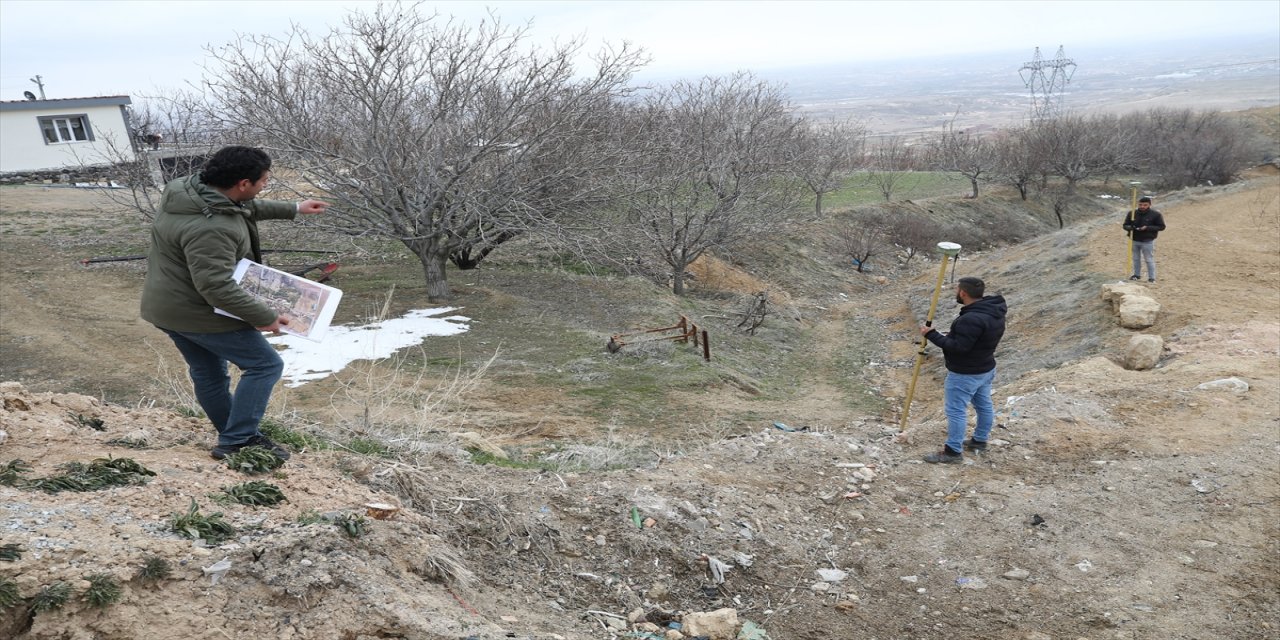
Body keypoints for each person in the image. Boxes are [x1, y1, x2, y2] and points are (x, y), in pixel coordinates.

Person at [139, 146, 329, 461]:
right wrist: (265, 315)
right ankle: (238, 440)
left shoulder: (187, 191)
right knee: (265, 364)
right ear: (243, 183)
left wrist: (294, 208)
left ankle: (234, 434)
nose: (266, 184)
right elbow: (216, 286)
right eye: (264, 180)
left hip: (166, 305)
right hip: (196, 310)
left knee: (208, 372)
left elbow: (243, 208)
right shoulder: (212, 228)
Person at [918, 277, 1007, 464]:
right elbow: (974, 339)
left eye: (956, 290)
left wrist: (931, 335)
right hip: (985, 368)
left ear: (963, 293)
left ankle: (952, 452)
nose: (956, 292)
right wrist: (952, 335)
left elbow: (959, 348)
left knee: (956, 411)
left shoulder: (971, 318)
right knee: (984, 405)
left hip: (966, 374)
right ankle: (979, 441)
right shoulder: (993, 311)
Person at [1123, 196, 1166, 283]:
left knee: (1149, 259)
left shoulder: (1156, 215)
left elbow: (1161, 227)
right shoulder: (1132, 213)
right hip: (1134, 239)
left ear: (1149, 205)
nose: (1142, 206)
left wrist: (1147, 228)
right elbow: (1125, 225)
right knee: (1135, 258)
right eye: (1140, 204)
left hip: (1147, 241)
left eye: (1145, 205)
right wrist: (1130, 227)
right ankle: (1137, 275)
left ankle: (1151, 278)